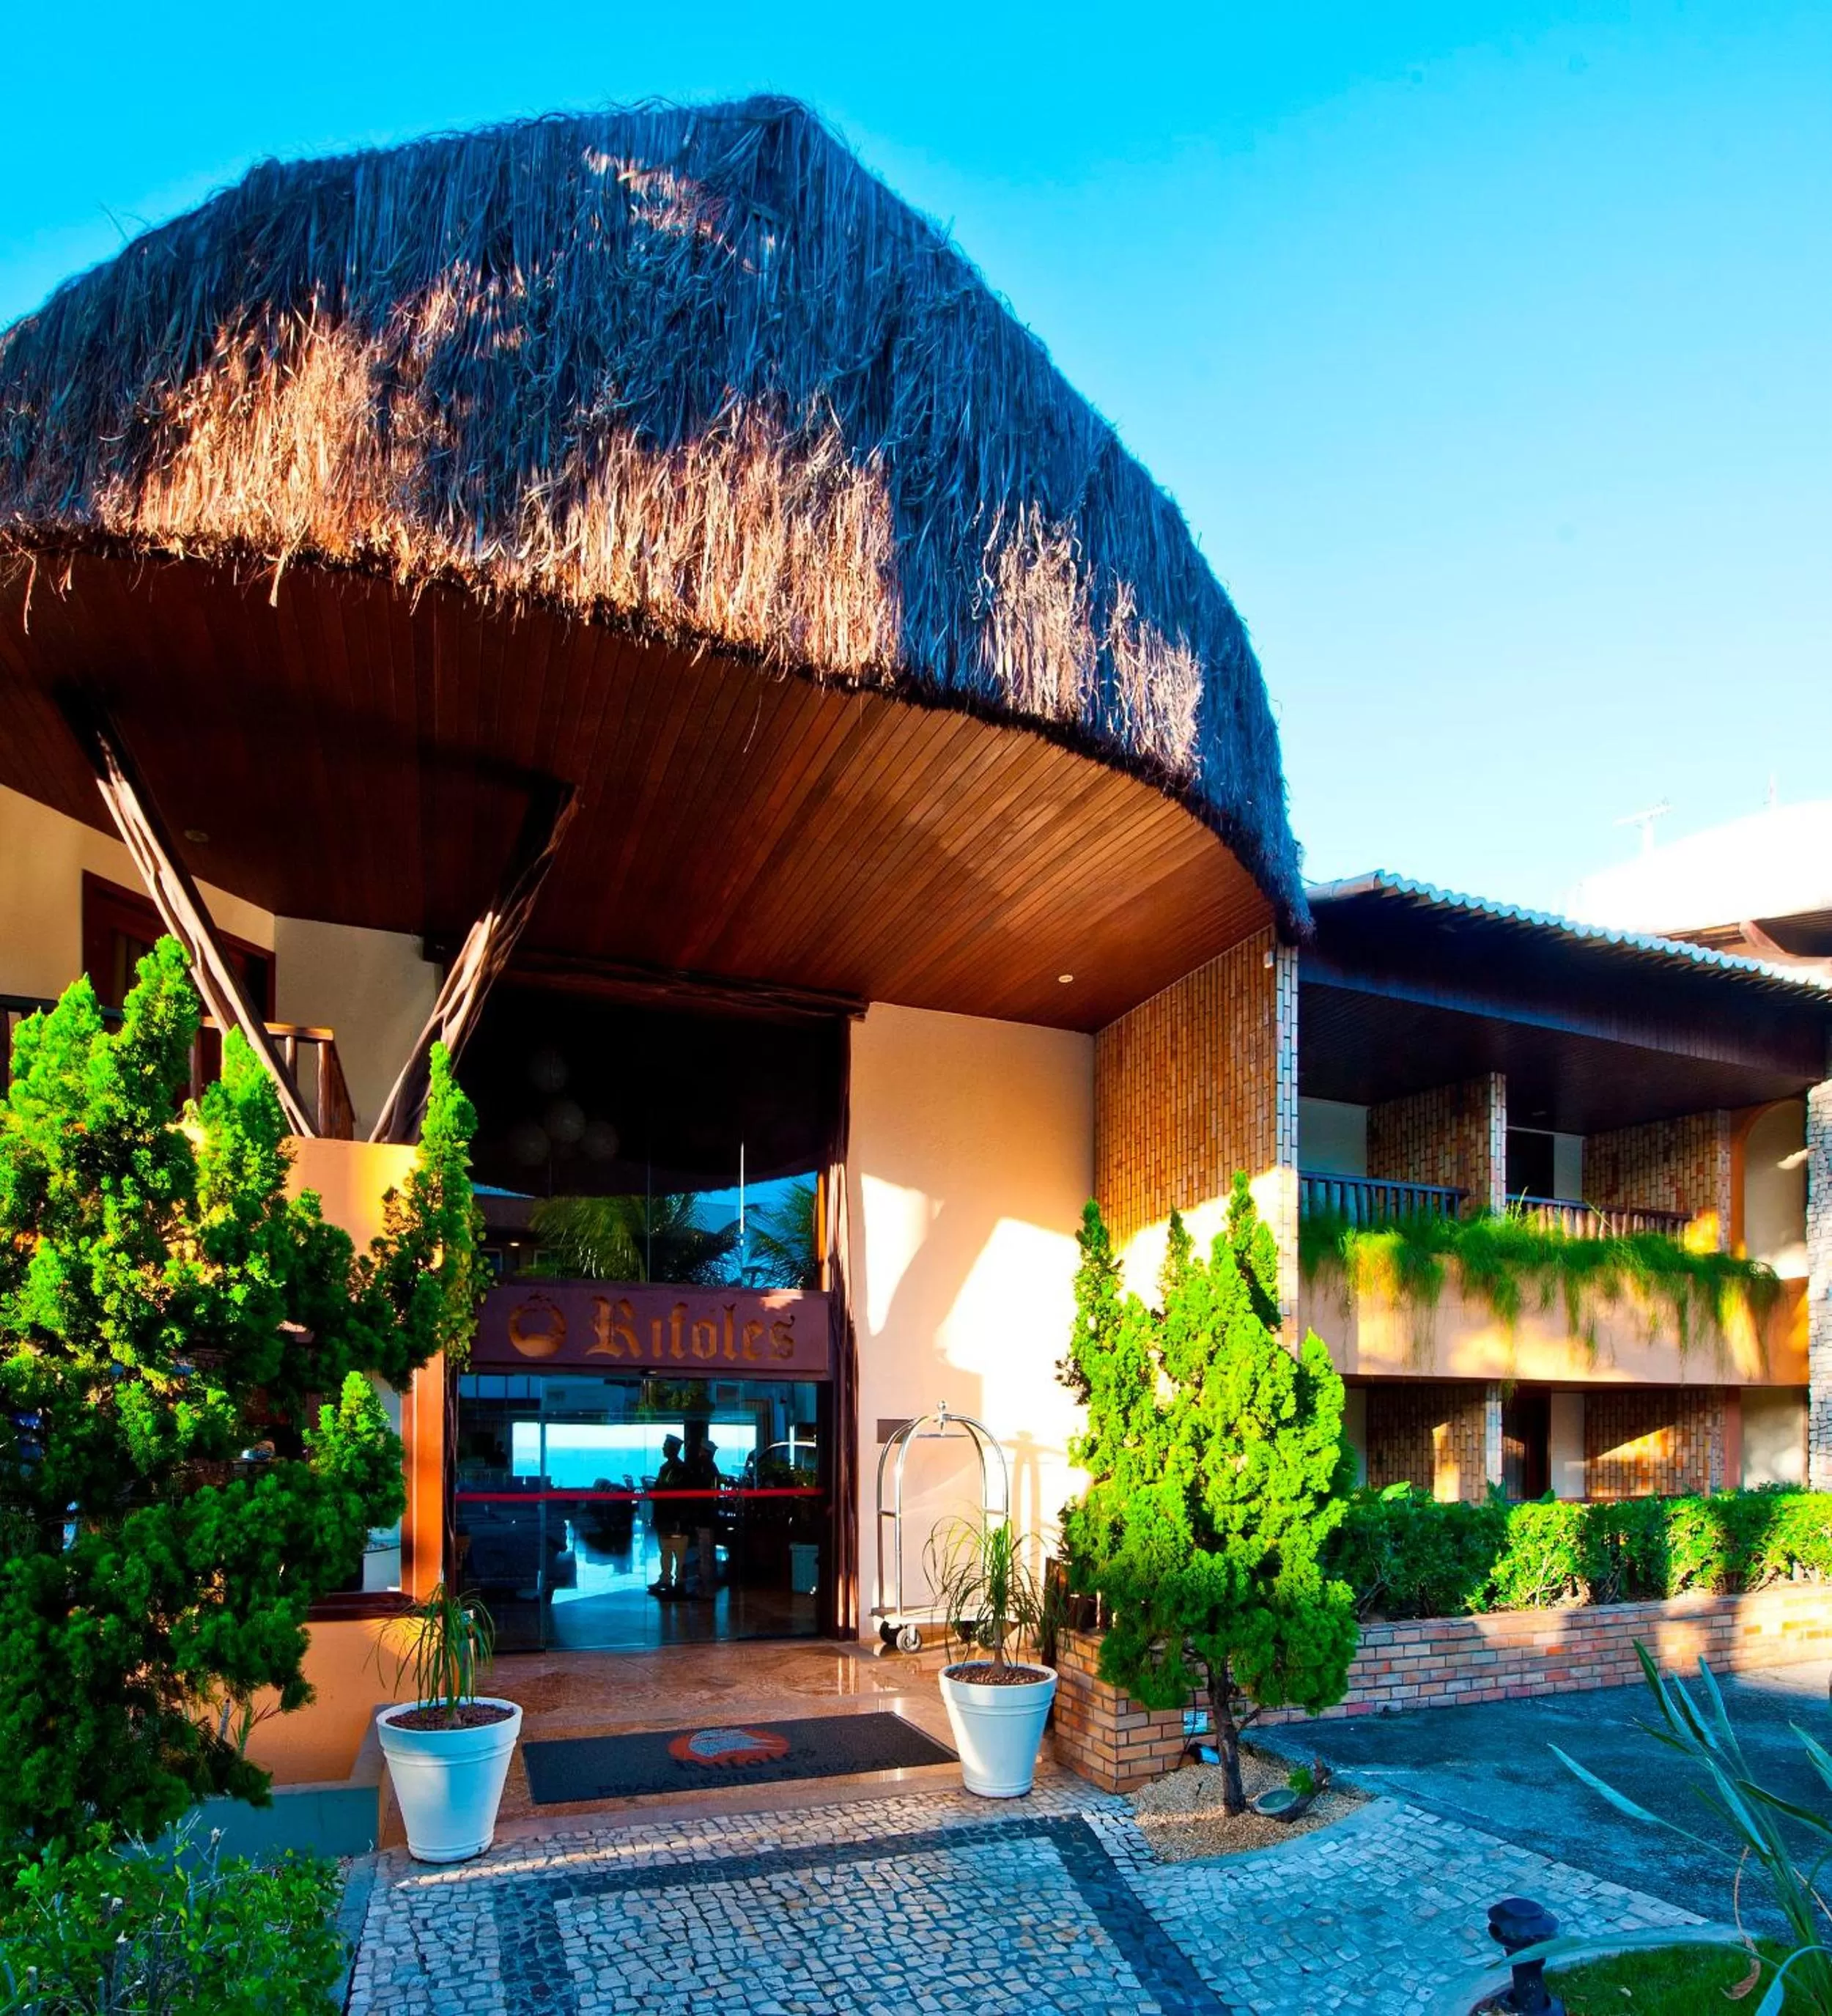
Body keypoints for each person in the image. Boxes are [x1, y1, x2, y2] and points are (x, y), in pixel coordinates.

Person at [647, 1433, 690, 1598]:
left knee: (677, 1551)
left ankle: (678, 1581)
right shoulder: (666, 1469)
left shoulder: (680, 1470)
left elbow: (678, 1495)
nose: (663, 1448)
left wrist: (681, 1518)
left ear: (673, 1449)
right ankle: (665, 1578)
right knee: (666, 1550)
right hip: (665, 1516)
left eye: (665, 1446)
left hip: (674, 1516)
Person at [682, 1425, 721, 1600]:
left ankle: (706, 1589)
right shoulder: (711, 1469)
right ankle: (706, 1587)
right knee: (705, 1553)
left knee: (705, 1553)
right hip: (707, 1516)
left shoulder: (705, 1469)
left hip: (705, 1517)